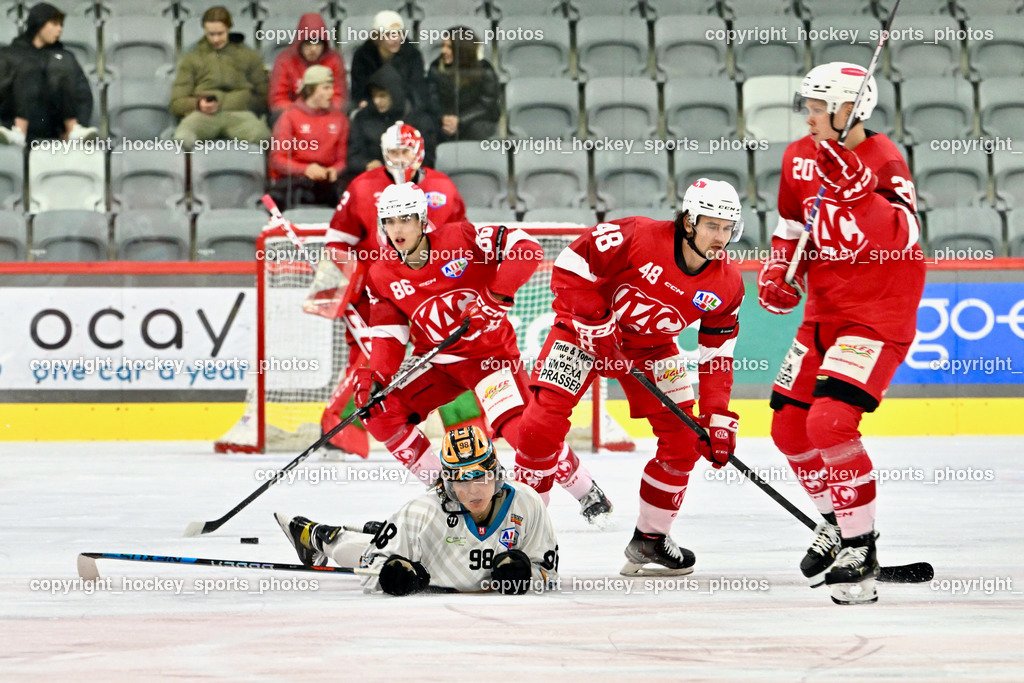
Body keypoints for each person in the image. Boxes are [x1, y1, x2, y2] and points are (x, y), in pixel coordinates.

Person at [512, 179, 746, 575]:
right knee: (538, 429)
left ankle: (650, 539)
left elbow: (717, 354)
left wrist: (717, 416)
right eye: (712, 225)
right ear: (689, 222)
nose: (720, 237)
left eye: (727, 228)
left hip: (652, 350)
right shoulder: (637, 235)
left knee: (684, 440)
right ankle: (519, 540)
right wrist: (592, 316)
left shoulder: (728, 283)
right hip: (583, 334)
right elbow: (570, 264)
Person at [757, 62, 925, 606]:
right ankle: (835, 524)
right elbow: (792, 225)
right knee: (788, 428)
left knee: (829, 423)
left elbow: (905, 235)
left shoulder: (884, 158)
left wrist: (860, 195)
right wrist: (782, 272)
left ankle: (860, 546)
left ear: (848, 109)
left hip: (877, 316)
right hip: (823, 313)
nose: (806, 113)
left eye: (814, 105)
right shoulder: (798, 156)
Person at [353, 182, 613, 521]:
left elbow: (526, 248)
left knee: (524, 434)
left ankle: (584, 489)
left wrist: (494, 297)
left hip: (488, 360)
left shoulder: (461, 237)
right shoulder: (382, 274)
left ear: (421, 219)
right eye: (389, 221)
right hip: (438, 363)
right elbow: (388, 335)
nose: (397, 229)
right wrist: (377, 378)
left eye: (405, 219)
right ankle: (446, 489)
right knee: (376, 410)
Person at [317, 121, 469, 458]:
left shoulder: (443, 186)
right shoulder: (361, 186)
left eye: (405, 151)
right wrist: (348, 281)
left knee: (453, 358)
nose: (399, 159)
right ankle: (341, 435)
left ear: (420, 152)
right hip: (380, 292)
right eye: (393, 152)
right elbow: (338, 241)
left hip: (432, 292)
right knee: (369, 358)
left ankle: (467, 433)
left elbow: (459, 240)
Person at [275, 425, 559, 595]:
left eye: (481, 478)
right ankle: (318, 537)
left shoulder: (527, 503)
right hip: (429, 559)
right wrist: (393, 579)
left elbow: (549, 572)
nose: (473, 491)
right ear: (447, 482)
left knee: (392, 538)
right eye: (461, 480)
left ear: (496, 473)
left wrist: (526, 576)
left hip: (436, 551)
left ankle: (375, 530)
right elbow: (370, 566)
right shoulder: (423, 511)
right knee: (357, 549)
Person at [170, 5, 270, 150]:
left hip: (240, 114)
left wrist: (243, 101)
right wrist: (198, 104)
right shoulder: (192, 58)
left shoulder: (248, 56)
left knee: (265, 138)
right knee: (182, 138)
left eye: (220, 33)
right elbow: (176, 102)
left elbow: (263, 96)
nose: (215, 39)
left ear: (229, 29)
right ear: (204, 31)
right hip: (203, 115)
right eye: (211, 34)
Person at [0, 2, 97, 146]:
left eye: (61, 25)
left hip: (55, 131)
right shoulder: (10, 55)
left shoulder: (65, 57)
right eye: (54, 24)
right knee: (27, 67)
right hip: (14, 126)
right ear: (39, 24)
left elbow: (83, 96)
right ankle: (19, 132)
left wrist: (81, 122)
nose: (60, 29)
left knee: (61, 65)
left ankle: (73, 129)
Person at [267, 65, 349, 210]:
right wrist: (305, 169)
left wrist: (334, 170)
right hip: (297, 180)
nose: (331, 93)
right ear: (310, 90)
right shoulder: (289, 117)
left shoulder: (340, 119)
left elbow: (342, 159)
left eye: (331, 87)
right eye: (326, 88)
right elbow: (277, 160)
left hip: (328, 182)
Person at [345, 65, 437, 174]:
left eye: (382, 96)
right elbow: (353, 156)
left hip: (412, 179)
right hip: (374, 178)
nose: (377, 101)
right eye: (373, 96)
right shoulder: (362, 118)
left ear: (395, 94)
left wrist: (407, 166)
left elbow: (429, 158)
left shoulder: (419, 120)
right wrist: (366, 163)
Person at [267, 12, 347, 126]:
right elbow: (277, 100)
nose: (313, 49)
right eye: (308, 44)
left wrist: (318, 110)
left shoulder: (334, 60)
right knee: (277, 118)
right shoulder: (285, 60)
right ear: (300, 43)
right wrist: (303, 110)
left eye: (318, 44)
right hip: (293, 115)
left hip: (326, 114)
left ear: (324, 44)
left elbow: (339, 98)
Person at [426, 26, 499, 143]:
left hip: (475, 120)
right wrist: (443, 117)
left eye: (449, 47)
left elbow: (486, 105)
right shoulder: (436, 68)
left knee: (476, 130)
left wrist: (460, 120)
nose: (443, 51)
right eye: (443, 46)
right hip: (446, 119)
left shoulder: (485, 70)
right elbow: (431, 98)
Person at [350, 10, 429, 115]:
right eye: (389, 34)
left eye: (399, 33)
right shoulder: (362, 56)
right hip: (374, 111)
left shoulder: (412, 55)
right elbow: (359, 92)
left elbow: (417, 91)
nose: (396, 39)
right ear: (377, 36)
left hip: (404, 112)